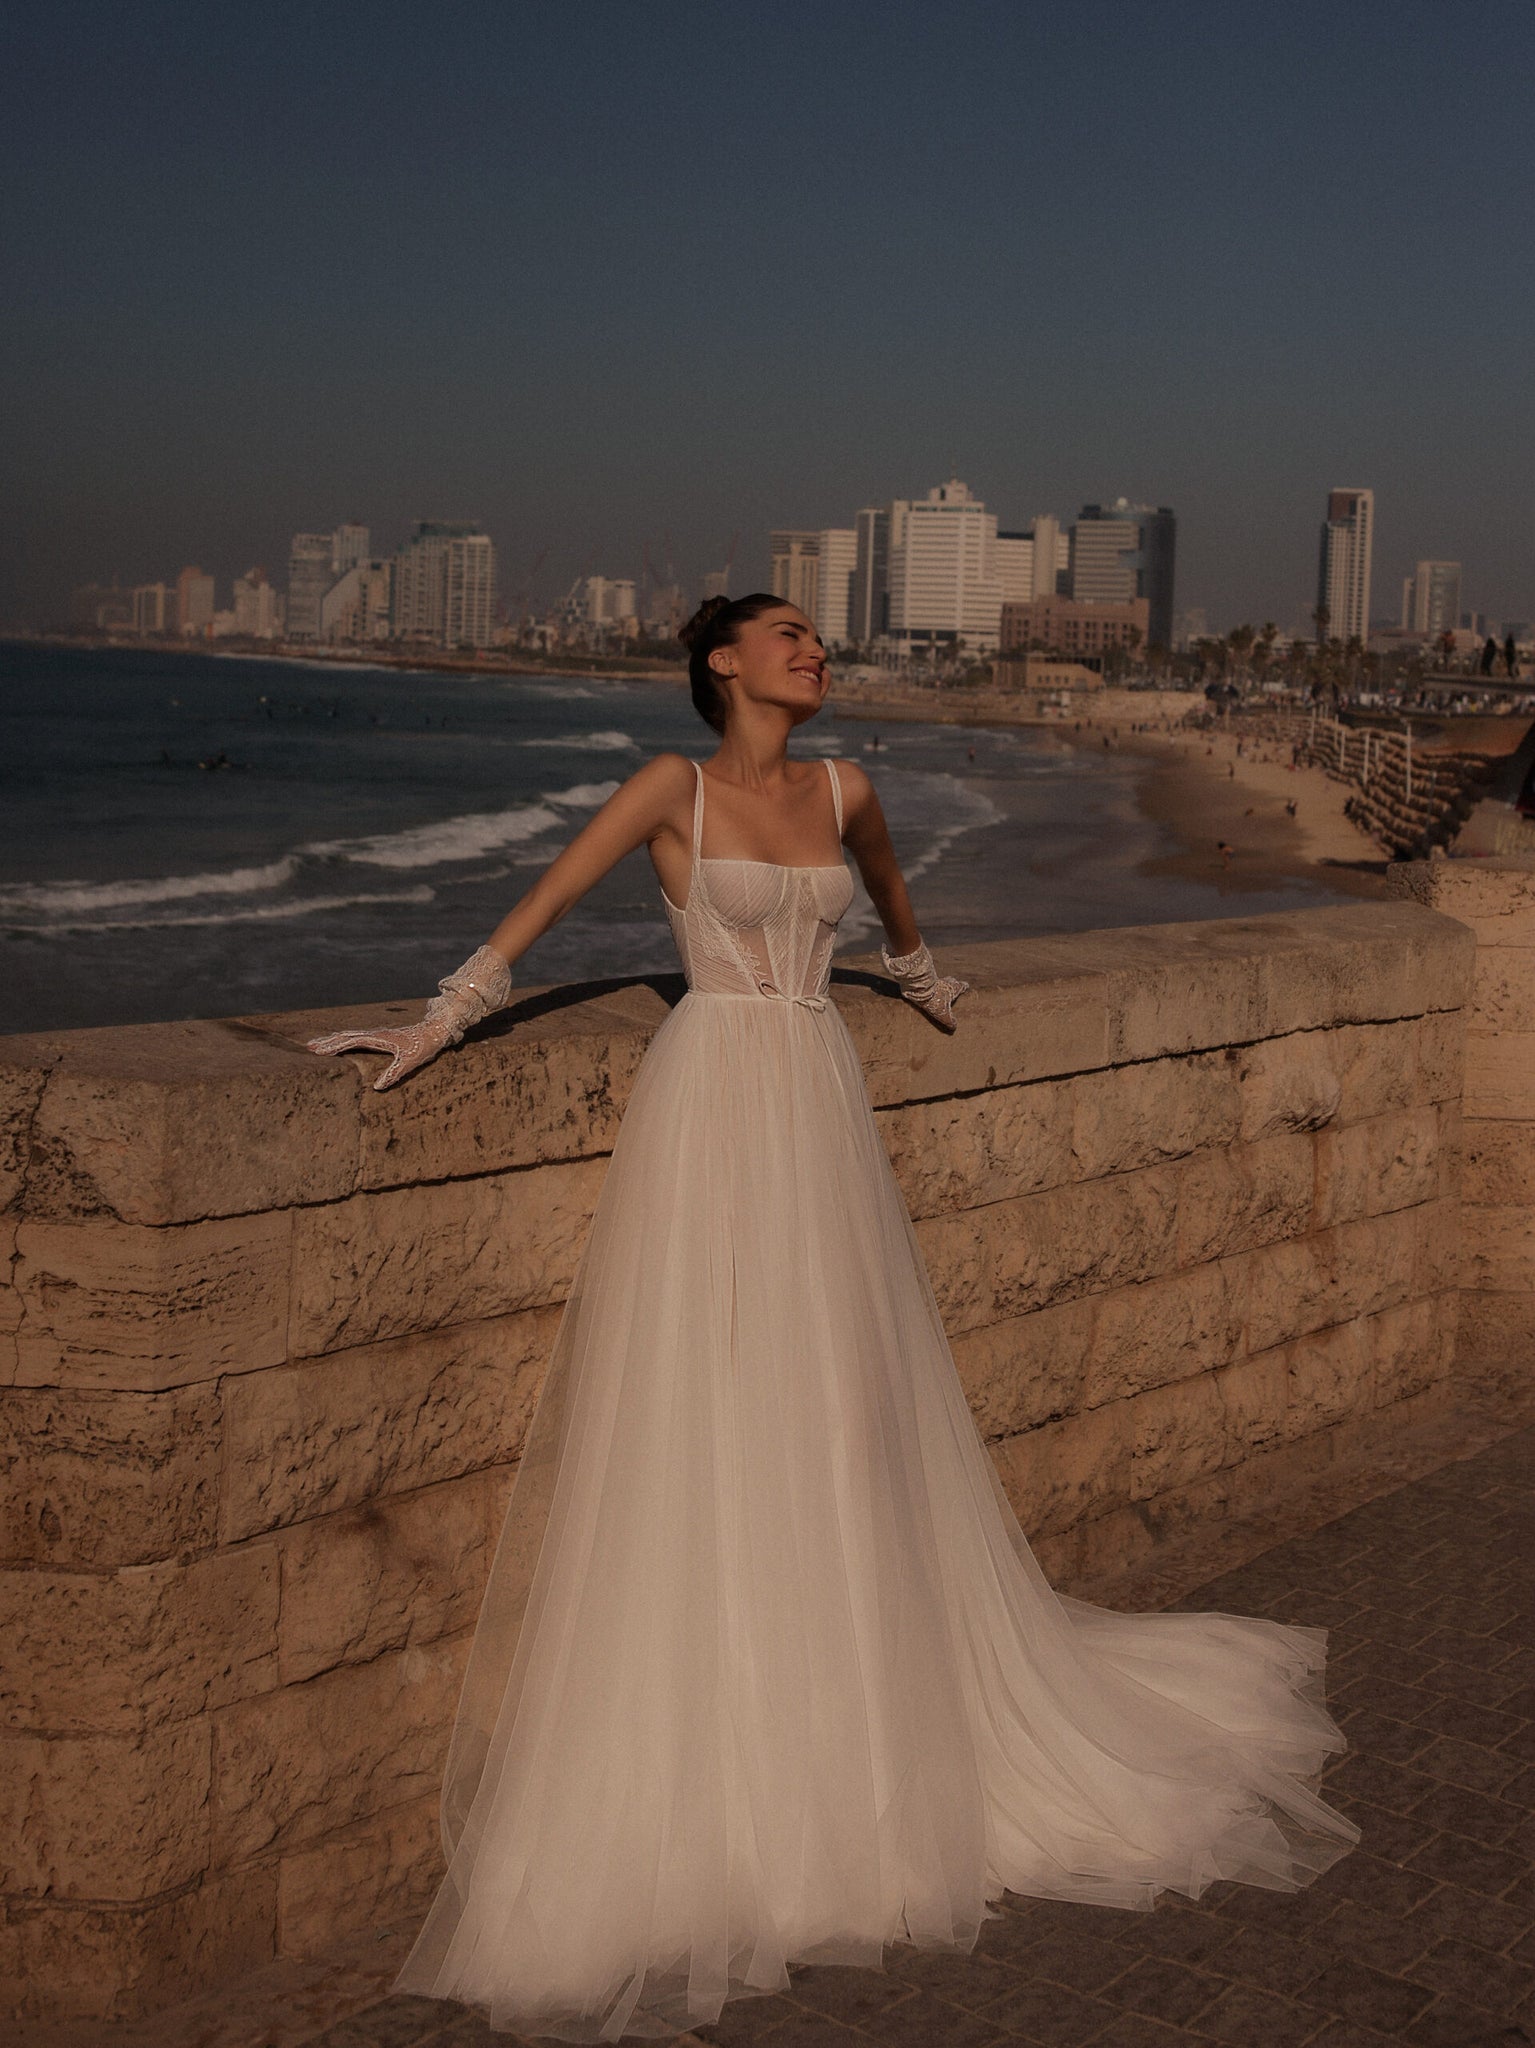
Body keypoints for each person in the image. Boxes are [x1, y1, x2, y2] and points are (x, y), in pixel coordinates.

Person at [308, 593, 1358, 2043]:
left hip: (816, 1092)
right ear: (721, 664)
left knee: (840, 1406)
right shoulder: (666, 790)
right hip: (712, 1097)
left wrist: (918, 977)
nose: (813, 648)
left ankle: (857, 1734)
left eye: (816, 635)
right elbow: (536, 918)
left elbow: (893, 895)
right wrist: (432, 1023)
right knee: (712, 1401)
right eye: (785, 632)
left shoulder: (850, 786)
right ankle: (736, 1747)